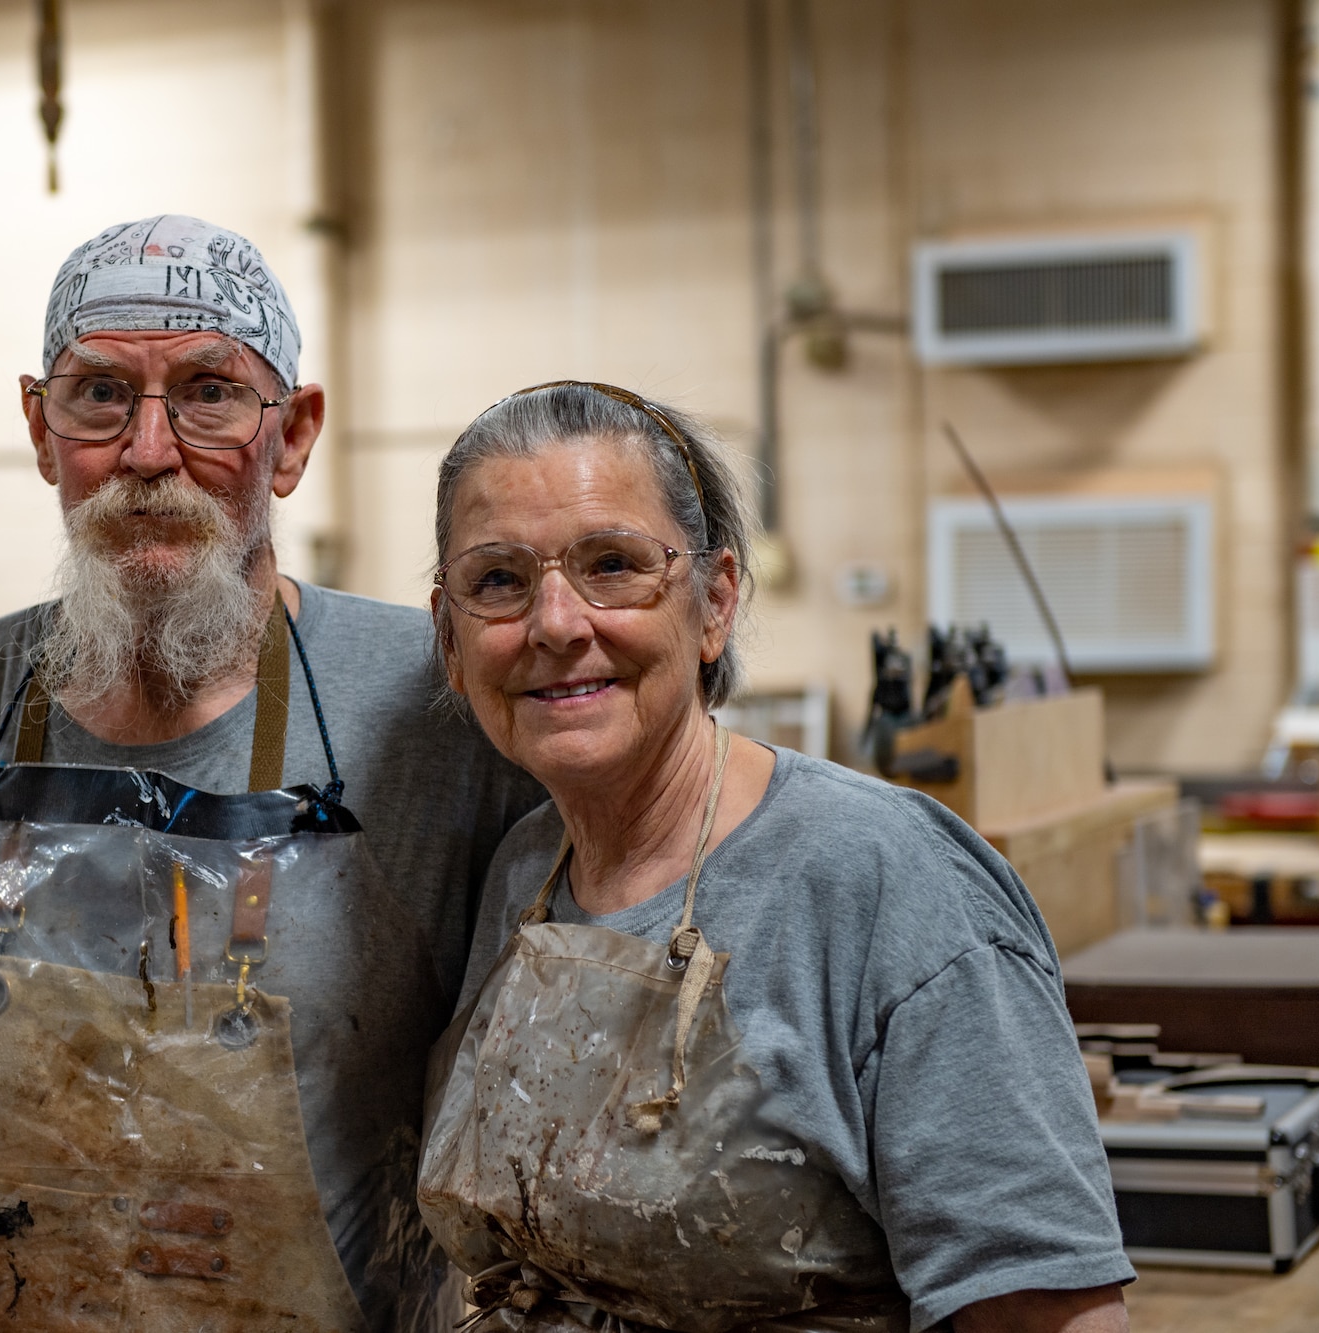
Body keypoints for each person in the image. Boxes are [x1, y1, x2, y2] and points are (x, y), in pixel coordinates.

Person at [0, 215, 541, 1332]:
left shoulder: (436, 715)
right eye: (99, 396)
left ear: (294, 435)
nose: (149, 452)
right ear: (38, 428)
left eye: (210, 393)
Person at [416, 382, 1134, 1333]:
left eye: (613, 564)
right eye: (499, 581)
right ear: (450, 639)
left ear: (714, 603)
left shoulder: (888, 881)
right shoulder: (524, 873)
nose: (556, 622)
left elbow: (1049, 1313)